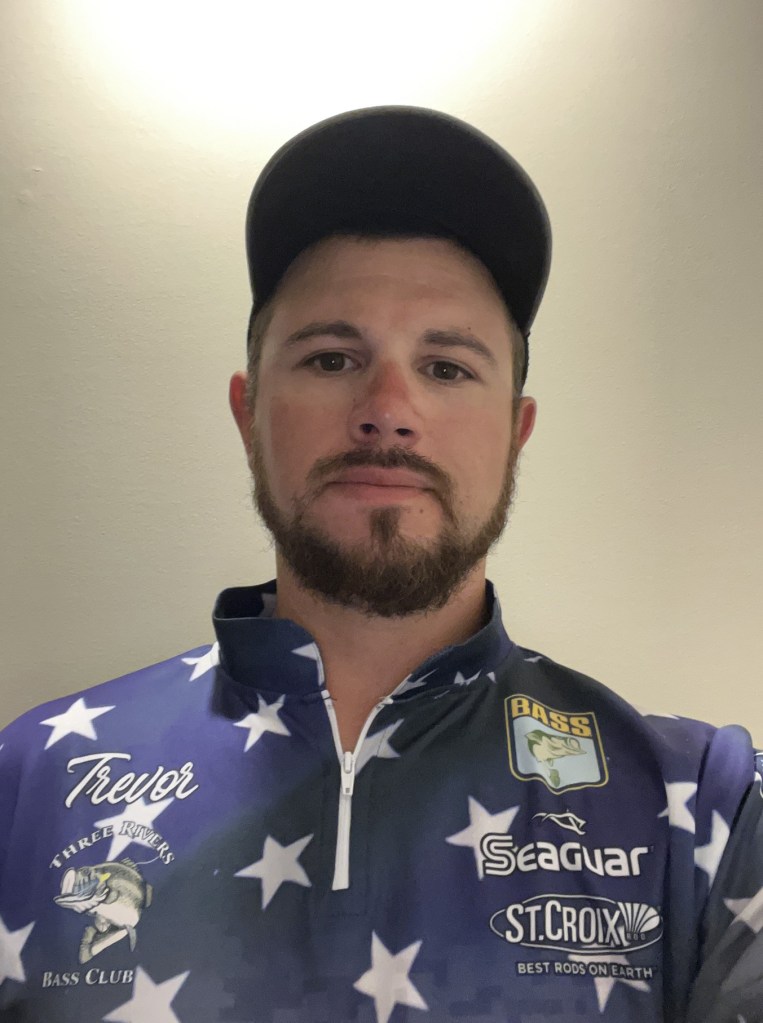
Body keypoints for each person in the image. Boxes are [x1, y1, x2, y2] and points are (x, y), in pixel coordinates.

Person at [0, 106, 760, 1023]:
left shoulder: (711, 808)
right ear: (248, 414)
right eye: (331, 358)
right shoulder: (31, 782)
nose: (388, 409)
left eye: (446, 368)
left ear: (514, 432)